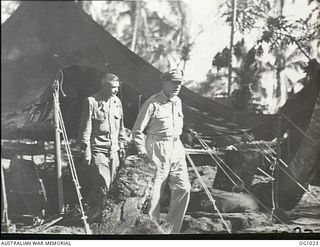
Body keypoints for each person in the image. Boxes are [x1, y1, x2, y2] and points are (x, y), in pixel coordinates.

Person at [132, 68, 191, 234]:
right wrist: (142, 153)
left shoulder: (178, 101)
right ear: (164, 83)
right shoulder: (152, 103)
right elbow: (137, 131)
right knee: (154, 194)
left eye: (179, 83)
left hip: (176, 148)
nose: (177, 86)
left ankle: (172, 231)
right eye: (174, 83)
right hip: (157, 148)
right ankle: (153, 232)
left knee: (184, 188)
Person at [79, 73, 126, 210]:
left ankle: (103, 214)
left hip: (114, 151)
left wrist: (121, 145)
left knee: (112, 186)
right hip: (98, 150)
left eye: (117, 87)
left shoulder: (117, 102)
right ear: (104, 86)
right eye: (112, 87)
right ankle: (98, 215)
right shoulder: (91, 102)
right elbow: (85, 128)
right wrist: (87, 151)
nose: (116, 90)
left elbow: (121, 126)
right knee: (103, 185)